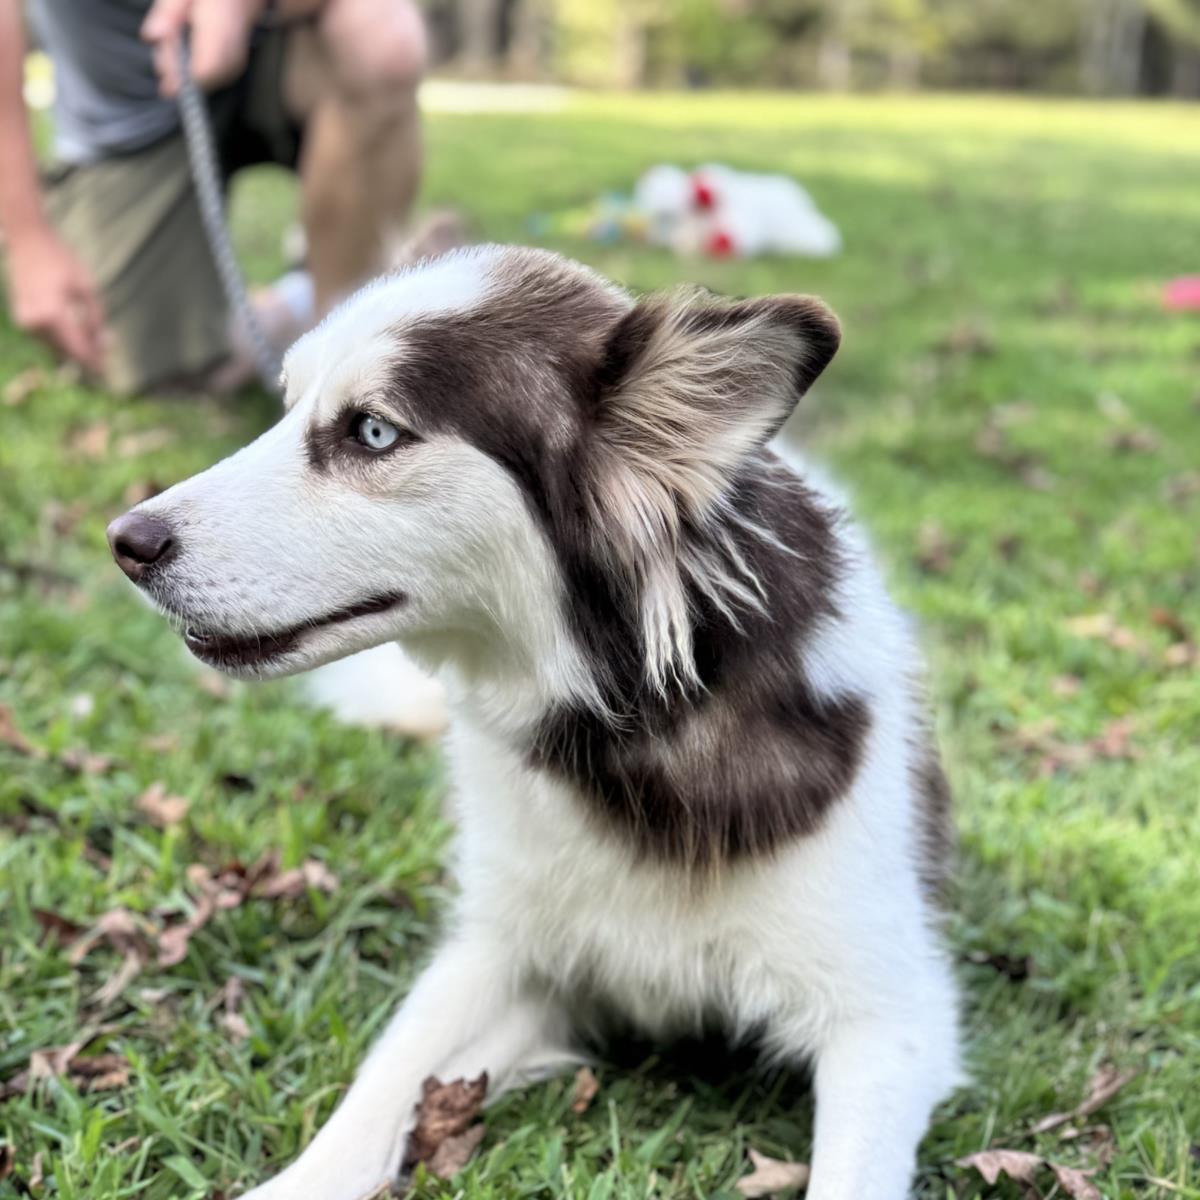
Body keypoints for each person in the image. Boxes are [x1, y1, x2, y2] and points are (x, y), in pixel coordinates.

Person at [0, 0, 427, 393]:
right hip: (124, 122)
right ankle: (299, 299)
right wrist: (28, 239)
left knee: (381, 37)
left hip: (284, 41)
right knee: (151, 371)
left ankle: (342, 348)